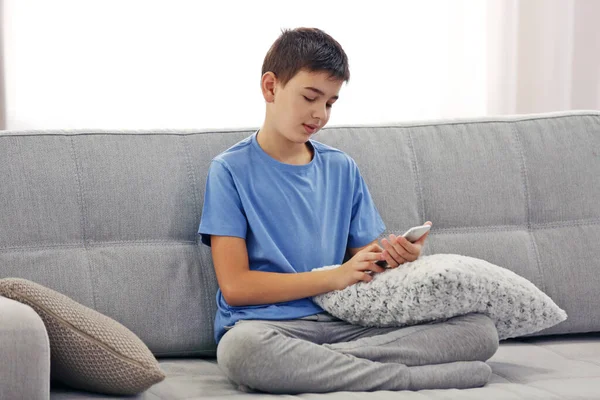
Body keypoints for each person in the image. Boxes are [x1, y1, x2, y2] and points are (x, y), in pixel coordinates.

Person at [198, 27, 499, 394]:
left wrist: (399, 258)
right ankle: (408, 377)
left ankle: (329, 362)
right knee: (241, 352)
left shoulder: (342, 168)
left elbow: (366, 264)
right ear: (271, 87)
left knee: (479, 329)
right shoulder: (229, 170)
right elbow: (236, 287)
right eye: (310, 97)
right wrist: (336, 276)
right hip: (269, 326)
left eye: (330, 102)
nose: (319, 114)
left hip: (345, 317)